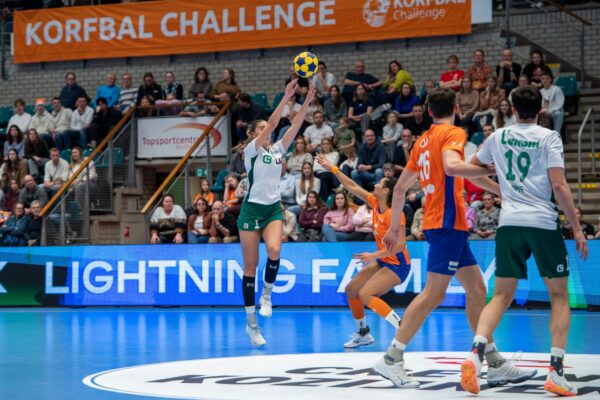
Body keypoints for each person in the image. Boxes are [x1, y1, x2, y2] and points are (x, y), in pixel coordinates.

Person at [376, 87, 527, 388]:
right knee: (434, 294)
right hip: (447, 222)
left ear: (429, 111)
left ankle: (494, 361)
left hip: (444, 223)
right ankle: (392, 358)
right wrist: (497, 169)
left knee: (476, 288)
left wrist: (394, 227)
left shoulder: (421, 142)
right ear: (456, 108)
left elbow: (402, 188)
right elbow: (453, 166)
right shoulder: (453, 133)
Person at [460, 85, 589, 396]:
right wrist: (576, 228)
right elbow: (559, 185)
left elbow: (471, 171)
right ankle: (556, 373)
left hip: (508, 223)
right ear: (541, 109)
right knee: (559, 297)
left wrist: (499, 188)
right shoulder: (549, 137)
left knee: (500, 296)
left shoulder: (498, 136)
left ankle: (475, 356)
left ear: (513, 109)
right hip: (542, 223)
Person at [237, 80, 316, 347]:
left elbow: (294, 127)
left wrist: (305, 103)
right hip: (251, 209)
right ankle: (251, 324)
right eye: (261, 129)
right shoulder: (251, 151)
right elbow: (273, 124)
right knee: (250, 267)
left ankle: (267, 296)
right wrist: (286, 97)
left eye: (266, 129)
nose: (267, 132)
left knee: (274, 250)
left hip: (272, 208)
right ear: (253, 133)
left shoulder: (276, 150)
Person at [317, 153, 411, 347]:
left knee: (366, 294)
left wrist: (374, 255)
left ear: (386, 190)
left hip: (398, 264)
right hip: (384, 260)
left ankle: (402, 328)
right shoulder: (375, 203)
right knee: (351, 290)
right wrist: (332, 168)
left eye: (379, 183)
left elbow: (401, 245)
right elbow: (352, 186)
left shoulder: (395, 214)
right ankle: (363, 334)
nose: (375, 184)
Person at [539, 71, 565, 136]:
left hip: (554, 112)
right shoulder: (540, 91)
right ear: (541, 80)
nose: (545, 80)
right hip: (543, 112)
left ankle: (556, 134)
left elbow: (559, 104)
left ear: (551, 79)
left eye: (547, 78)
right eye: (543, 79)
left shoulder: (556, 89)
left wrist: (549, 111)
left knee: (558, 114)